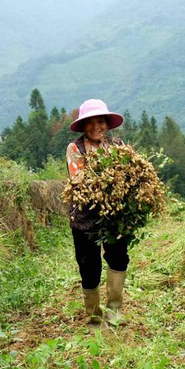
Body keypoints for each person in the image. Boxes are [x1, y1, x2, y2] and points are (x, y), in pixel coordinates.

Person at [66, 99, 130, 327]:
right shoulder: (75, 149)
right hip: (85, 218)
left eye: (100, 121)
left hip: (114, 216)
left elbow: (128, 174)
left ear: (107, 124)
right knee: (89, 264)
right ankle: (95, 317)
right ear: (83, 126)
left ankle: (114, 311)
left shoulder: (118, 145)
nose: (96, 127)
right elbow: (79, 180)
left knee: (119, 258)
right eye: (90, 122)